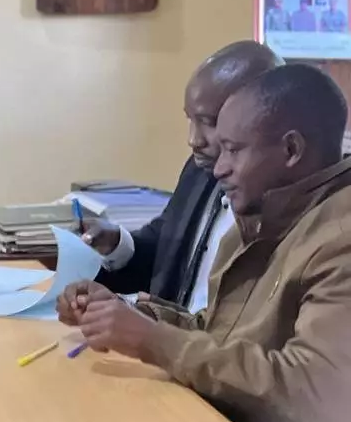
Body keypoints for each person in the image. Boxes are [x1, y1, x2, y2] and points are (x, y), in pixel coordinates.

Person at [57, 64, 351, 422]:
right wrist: (123, 312)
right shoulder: (262, 216)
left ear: (291, 150)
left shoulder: (338, 239)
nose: (218, 167)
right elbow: (218, 331)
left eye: (234, 150)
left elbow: (312, 390)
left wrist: (152, 341)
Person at [63, 41, 281, 310]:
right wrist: (116, 244)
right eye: (191, 119)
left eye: (209, 122)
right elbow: (166, 256)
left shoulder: (292, 208)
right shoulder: (199, 171)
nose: (194, 140)